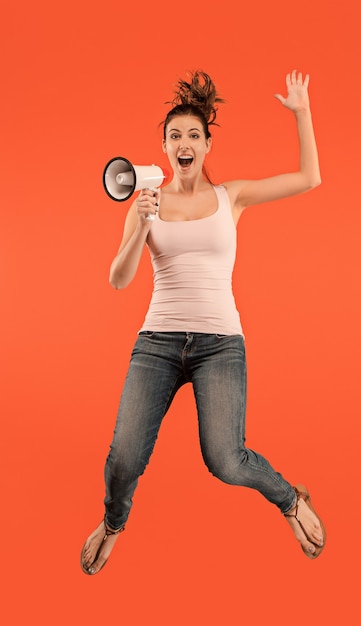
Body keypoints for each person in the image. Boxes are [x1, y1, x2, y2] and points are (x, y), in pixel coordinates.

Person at [81, 69, 326, 575]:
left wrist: (302, 113)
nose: (184, 143)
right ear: (165, 149)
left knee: (226, 460)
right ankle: (112, 522)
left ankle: (289, 499)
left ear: (207, 146)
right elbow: (119, 280)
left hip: (220, 345)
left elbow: (309, 179)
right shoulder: (144, 204)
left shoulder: (229, 197)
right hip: (158, 343)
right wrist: (141, 223)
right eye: (175, 136)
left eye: (194, 135)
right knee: (123, 459)